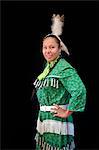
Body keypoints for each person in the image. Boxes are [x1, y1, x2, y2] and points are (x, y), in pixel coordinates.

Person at [32, 14, 86, 150]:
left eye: (52, 47)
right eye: (45, 47)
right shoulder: (48, 67)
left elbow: (79, 90)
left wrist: (67, 112)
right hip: (44, 119)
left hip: (57, 120)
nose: (47, 51)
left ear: (59, 49)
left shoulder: (64, 67)